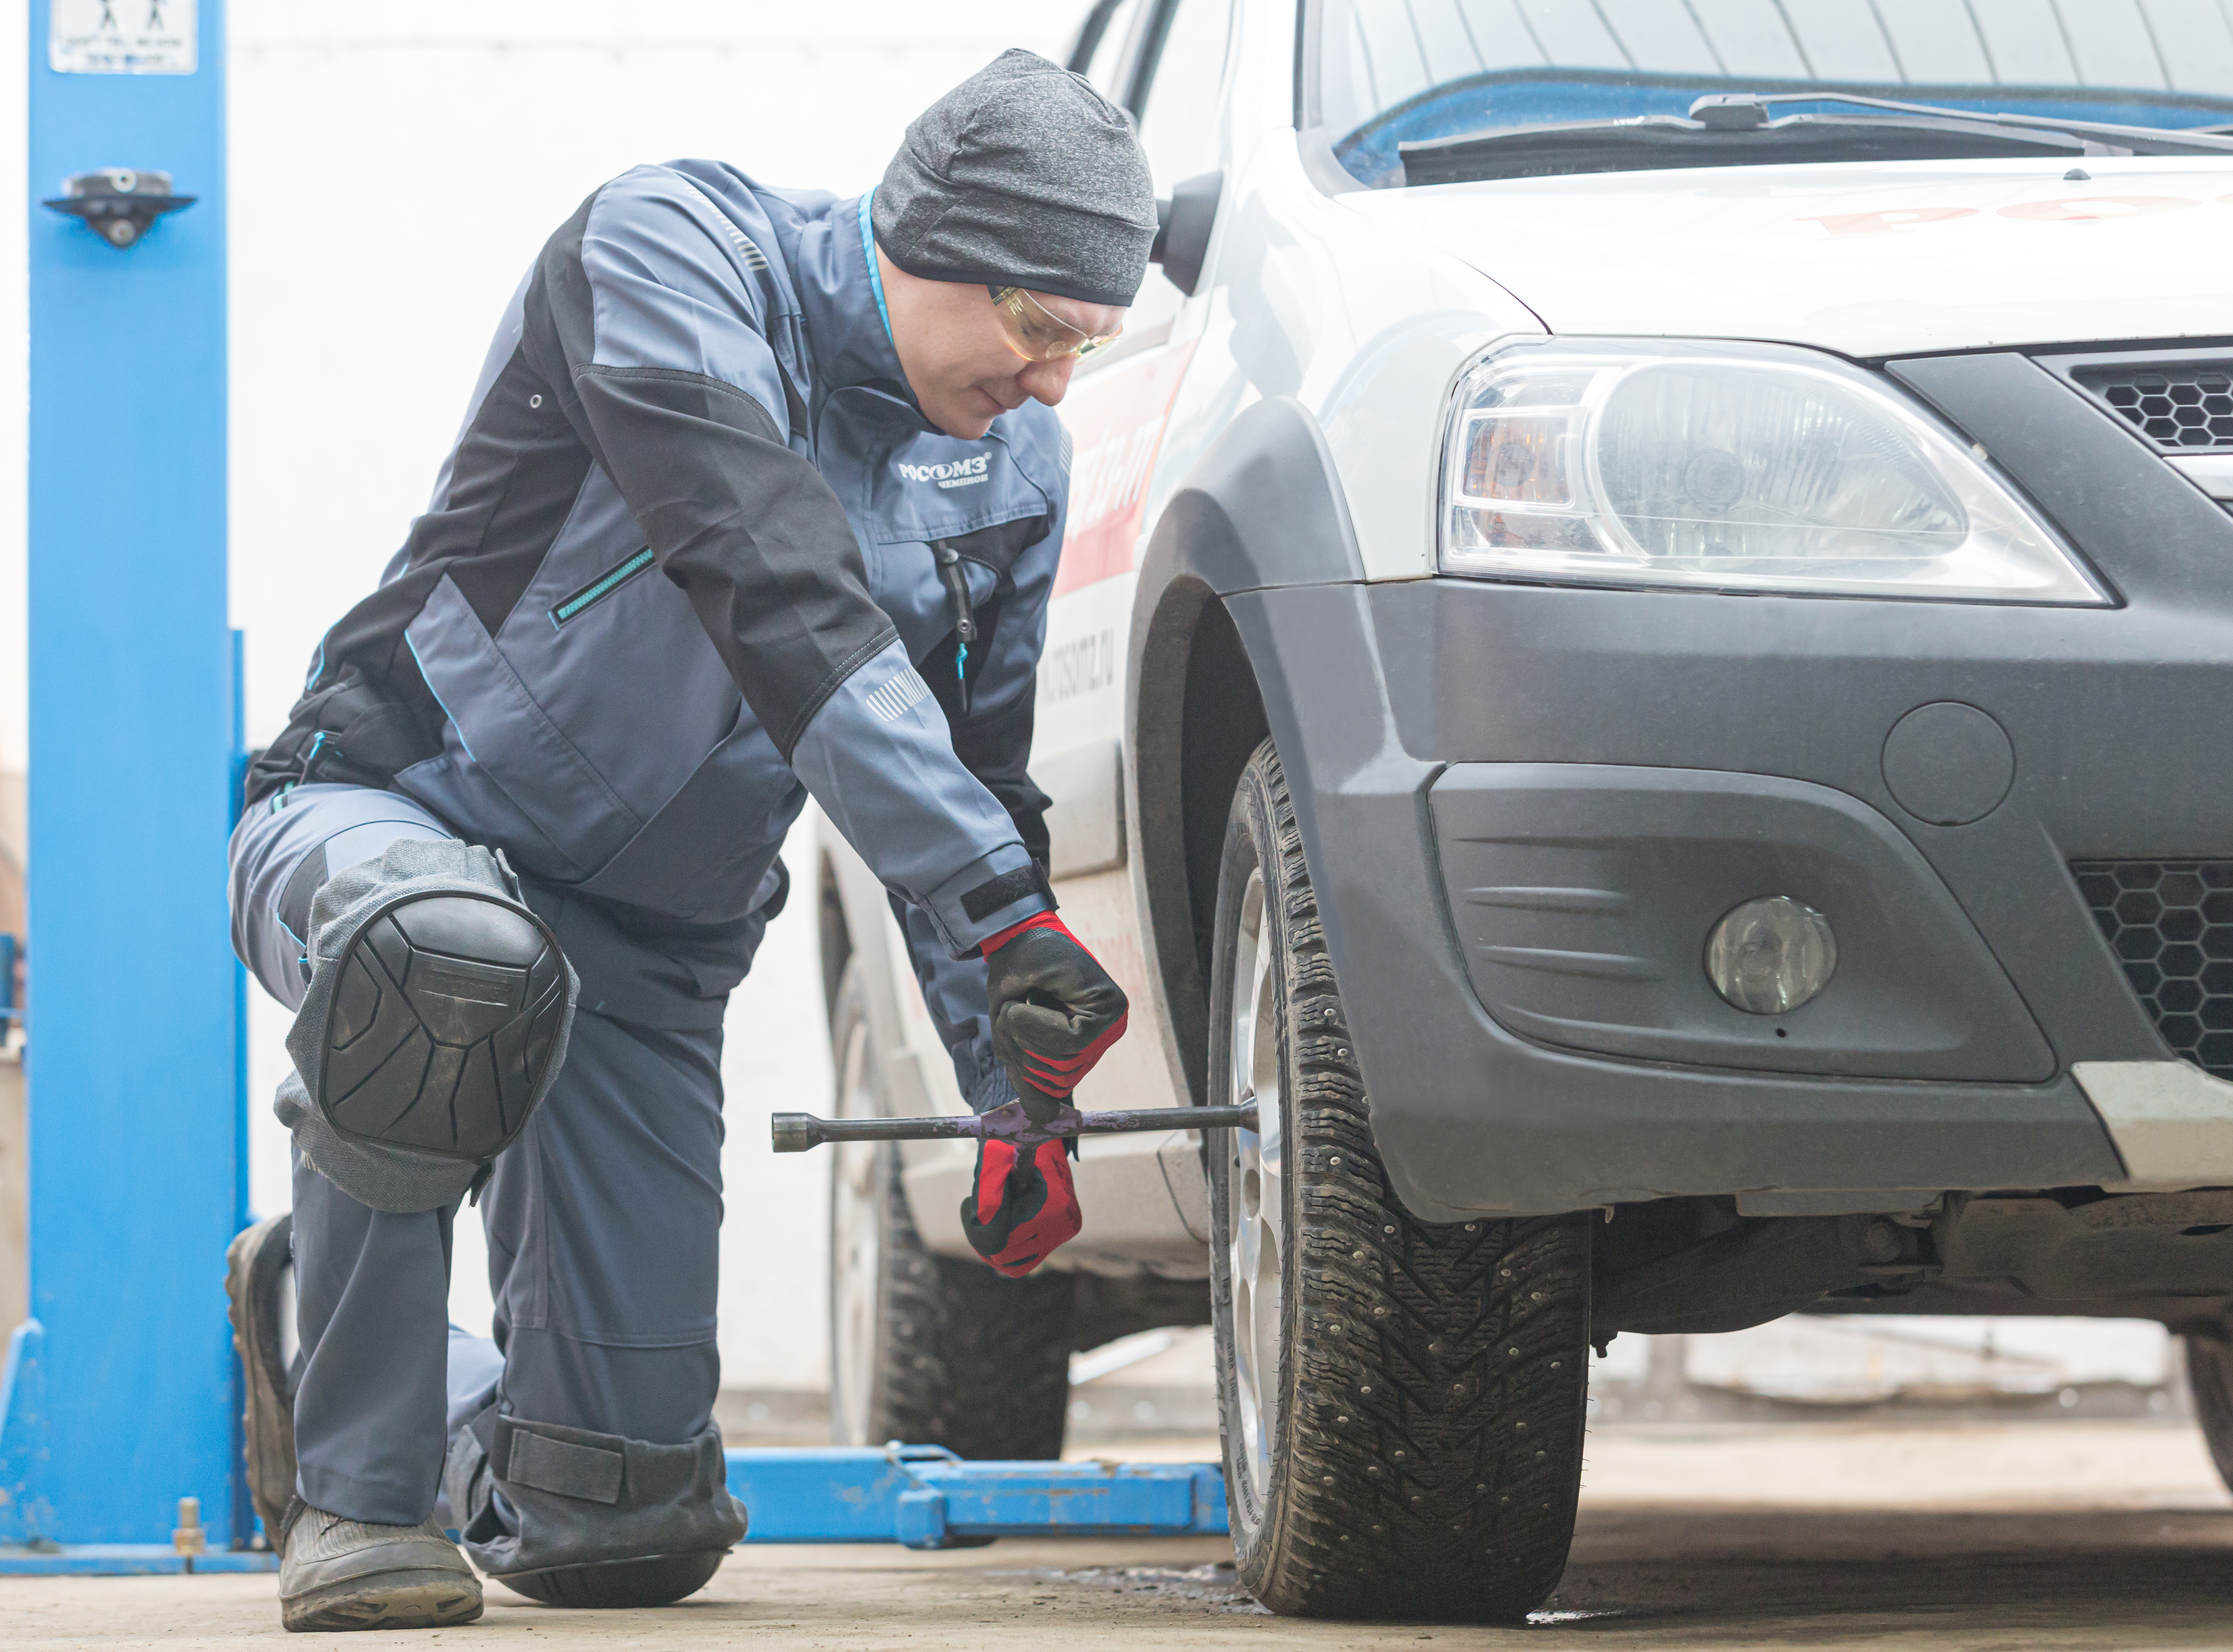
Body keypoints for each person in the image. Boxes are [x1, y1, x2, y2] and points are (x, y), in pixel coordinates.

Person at [221, 49, 1154, 1632]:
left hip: (645, 947)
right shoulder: (672, 254)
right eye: (1039, 326)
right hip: (391, 815)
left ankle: (315, 1312)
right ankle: (359, 1500)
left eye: (1091, 340)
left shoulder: (1011, 468)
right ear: (932, 238)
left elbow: (973, 783)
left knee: (625, 1533)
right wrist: (996, 907)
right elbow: (767, 572)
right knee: (448, 965)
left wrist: (1018, 1097)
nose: (1057, 380)